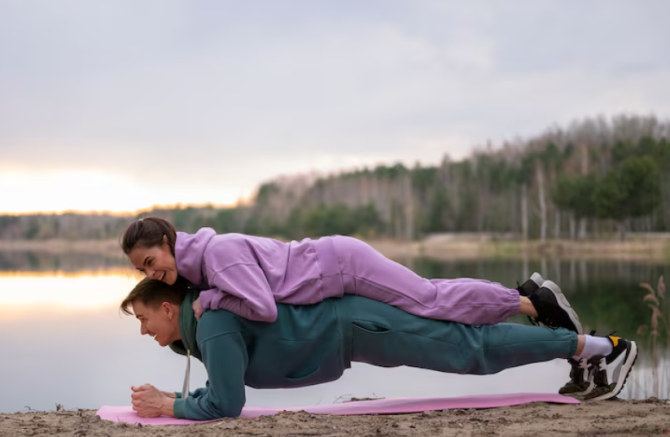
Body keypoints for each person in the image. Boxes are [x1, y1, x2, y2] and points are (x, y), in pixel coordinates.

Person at [120, 217, 588, 393]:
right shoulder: (201, 263)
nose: (150, 273)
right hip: (331, 277)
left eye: (151, 261)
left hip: (340, 266)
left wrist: (212, 298)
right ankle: (528, 298)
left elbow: (262, 308)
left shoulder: (217, 256)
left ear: (167, 242)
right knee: (430, 295)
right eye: (142, 270)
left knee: (430, 299)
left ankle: (531, 302)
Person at [123, 278, 637, 421]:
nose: (144, 330)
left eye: (144, 318)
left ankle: (601, 348)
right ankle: (532, 301)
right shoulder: (206, 325)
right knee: (457, 330)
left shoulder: (210, 322)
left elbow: (227, 404)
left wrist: (169, 406)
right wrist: (176, 399)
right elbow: (222, 386)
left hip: (358, 327)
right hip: (354, 329)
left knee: (470, 350)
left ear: (168, 307)